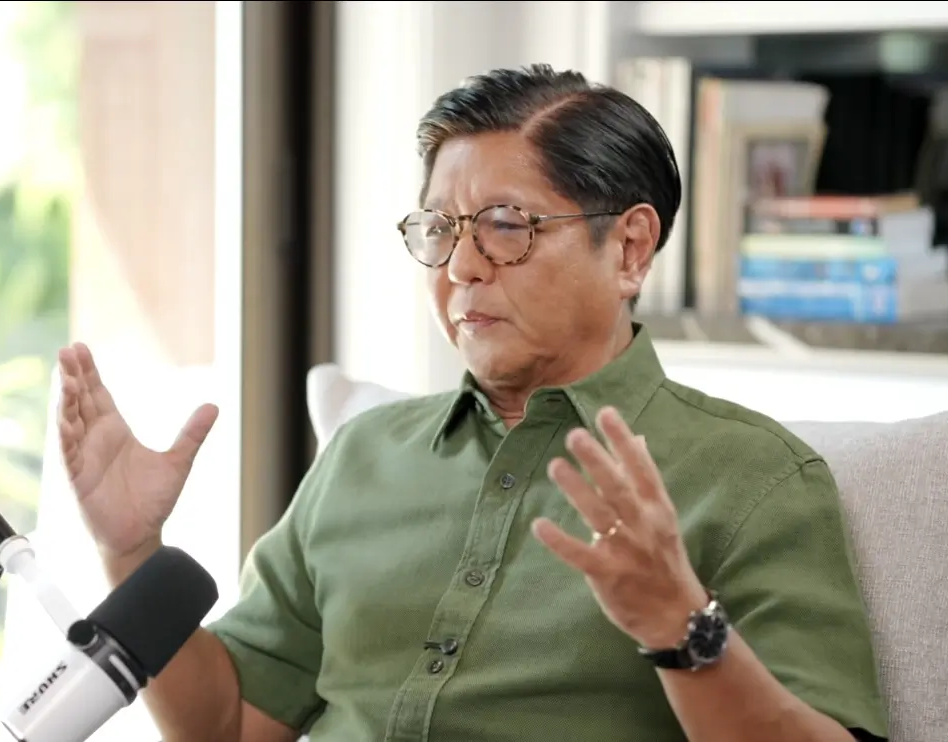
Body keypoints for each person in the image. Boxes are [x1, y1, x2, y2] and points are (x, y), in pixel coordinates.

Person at [56, 64, 889, 742]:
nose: (460, 268)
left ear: (630, 248)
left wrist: (681, 626)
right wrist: (131, 552)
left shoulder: (755, 479)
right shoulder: (362, 454)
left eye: (505, 226)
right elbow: (229, 727)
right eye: (440, 230)